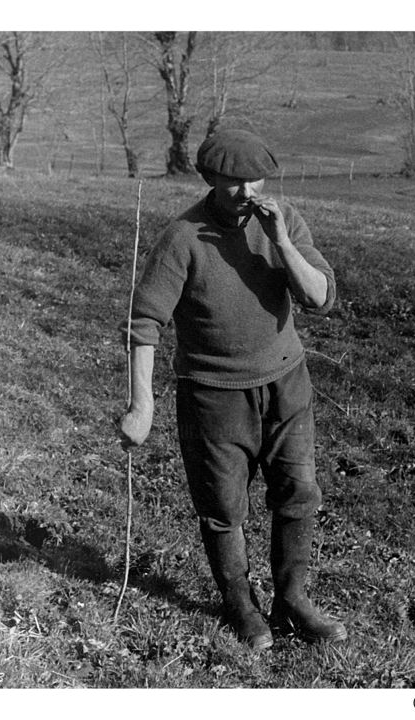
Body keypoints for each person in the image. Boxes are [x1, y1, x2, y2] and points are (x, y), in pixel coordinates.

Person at [119, 128, 347, 651]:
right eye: (233, 183)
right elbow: (144, 323)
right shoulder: (182, 237)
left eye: (255, 180)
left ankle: (291, 602)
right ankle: (241, 607)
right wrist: (141, 405)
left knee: (298, 495)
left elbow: (319, 298)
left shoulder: (283, 220)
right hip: (214, 396)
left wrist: (283, 242)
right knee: (224, 508)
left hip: (287, 385)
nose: (247, 193)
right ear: (209, 180)